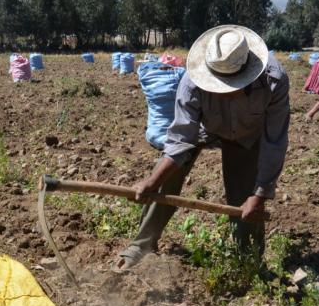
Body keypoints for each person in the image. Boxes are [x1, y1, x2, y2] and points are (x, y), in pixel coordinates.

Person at [115, 25, 290, 271]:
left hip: (247, 136)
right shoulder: (192, 81)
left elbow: (275, 141)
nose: (223, 93)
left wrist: (260, 195)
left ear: (248, 74)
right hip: (205, 128)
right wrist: (152, 181)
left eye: (230, 88)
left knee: (245, 200)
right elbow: (179, 139)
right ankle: (141, 245)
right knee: (166, 176)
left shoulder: (274, 80)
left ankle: (248, 262)